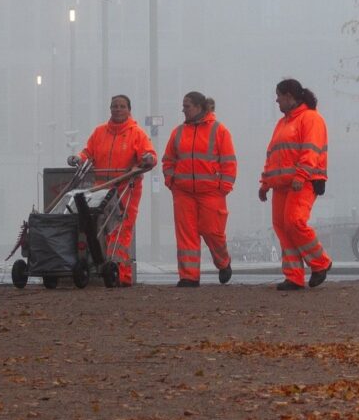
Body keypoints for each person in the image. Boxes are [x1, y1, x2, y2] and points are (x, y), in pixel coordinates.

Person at [68, 95, 157, 287]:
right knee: (98, 228)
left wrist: (148, 159)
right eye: (115, 106)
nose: (117, 109)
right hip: (102, 189)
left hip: (127, 188)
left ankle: (121, 274)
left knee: (120, 229)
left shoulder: (137, 134)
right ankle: (103, 267)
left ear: (129, 109)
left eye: (122, 106)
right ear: (110, 109)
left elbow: (149, 155)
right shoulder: (99, 132)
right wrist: (78, 158)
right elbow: (88, 153)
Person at [259, 79, 332, 290]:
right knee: (282, 227)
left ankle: (321, 263)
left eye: (279, 96)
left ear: (289, 96)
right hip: (282, 184)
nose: (277, 101)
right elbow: (272, 155)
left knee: (294, 222)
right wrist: (265, 183)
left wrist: (301, 176)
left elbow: (311, 151)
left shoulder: (310, 119)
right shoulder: (283, 124)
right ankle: (293, 276)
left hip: (303, 182)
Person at [162, 92, 236, 287]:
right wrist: (171, 181)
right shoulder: (178, 132)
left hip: (211, 192)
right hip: (183, 192)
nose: (183, 110)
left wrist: (224, 188)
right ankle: (189, 276)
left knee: (213, 232)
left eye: (187, 106)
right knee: (186, 234)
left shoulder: (219, 131)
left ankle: (223, 262)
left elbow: (229, 162)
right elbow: (168, 160)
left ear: (199, 107)